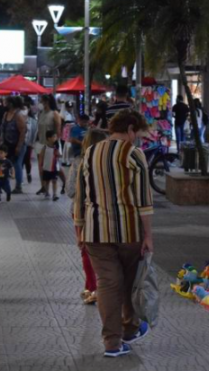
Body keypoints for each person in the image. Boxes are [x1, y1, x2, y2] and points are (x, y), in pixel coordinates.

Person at [74, 110, 153, 358]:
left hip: (95, 232)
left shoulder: (90, 152)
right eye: (138, 134)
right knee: (129, 283)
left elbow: (80, 196)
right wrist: (148, 235)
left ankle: (113, 342)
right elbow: (144, 200)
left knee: (107, 285)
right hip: (128, 232)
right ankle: (128, 329)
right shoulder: (133, 154)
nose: (137, 140)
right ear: (130, 129)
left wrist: (79, 228)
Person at [67, 129, 108, 305]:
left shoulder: (79, 162)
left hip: (82, 212)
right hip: (105, 212)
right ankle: (92, 287)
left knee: (86, 250)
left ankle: (93, 288)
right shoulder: (109, 163)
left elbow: (70, 190)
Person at [35, 94, 63, 195]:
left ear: (47, 102)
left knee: (54, 167)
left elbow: (58, 129)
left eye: (42, 101)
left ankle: (64, 182)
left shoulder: (54, 113)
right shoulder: (41, 113)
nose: (40, 103)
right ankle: (44, 187)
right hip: (41, 142)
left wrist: (55, 143)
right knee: (41, 166)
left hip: (51, 144)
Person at [1, 96, 28, 194]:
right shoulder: (6, 114)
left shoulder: (18, 115)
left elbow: (22, 131)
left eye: (5, 102)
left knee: (17, 164)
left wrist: (18, 146)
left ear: (11, 104)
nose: (4, 104)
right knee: (4, 164)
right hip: (7, 144)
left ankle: (18, 186)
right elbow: (3, 129)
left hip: (17, 145)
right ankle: (1, 184)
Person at [40, 131, 61, 201]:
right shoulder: (45, 147)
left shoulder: (57, 147)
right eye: (54, 137)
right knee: (47, 181)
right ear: (49, 138)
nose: (56, 138)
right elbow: (41, 156)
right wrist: (41, 165)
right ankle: (47, 192)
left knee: (54, 180)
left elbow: (60, 155)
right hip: (46, 167)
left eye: (56, 137)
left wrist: (58, 153)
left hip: (54, 168)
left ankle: (55, 194)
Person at [23, 99, 38, 184]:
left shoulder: (33, 120)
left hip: (28, 143)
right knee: (19, 161)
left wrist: (32, 143)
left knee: (27, 160)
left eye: (26, 108)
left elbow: (34, 132)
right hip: (20, 143)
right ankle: (19, 177)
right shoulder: (19, 117)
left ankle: (28, 173)